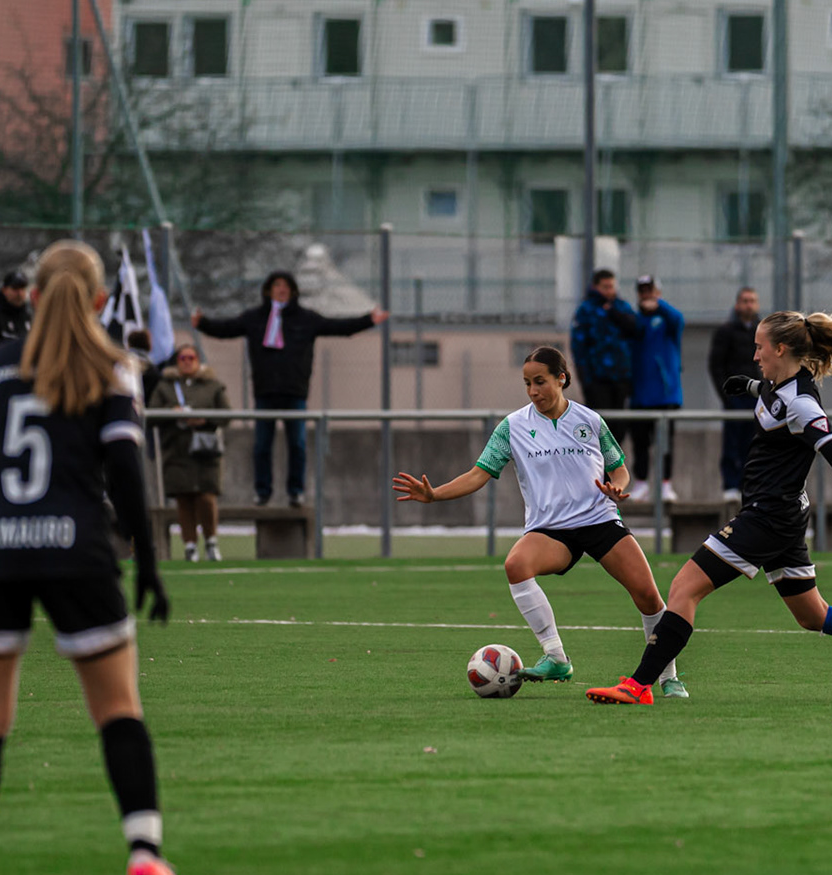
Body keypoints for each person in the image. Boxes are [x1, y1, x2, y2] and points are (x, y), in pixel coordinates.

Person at [0, 240, 185, 875]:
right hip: (77, 551)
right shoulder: (114, 366)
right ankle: (144, 855)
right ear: (99, 299)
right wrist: (147, 561)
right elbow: (125, 470)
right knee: (118, 711)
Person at [586, 311, 832, 707]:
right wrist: (752, 387)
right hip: (783, 517)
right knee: (813, 614)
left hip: (767, 517)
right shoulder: (781, 385)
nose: (755, 355)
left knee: (684, 588)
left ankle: (639, 684)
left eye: (759, 347)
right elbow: (774, 399)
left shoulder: (802, 402)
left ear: (781, 349)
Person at [394, 347, 685, 695]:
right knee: (516, 564)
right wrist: (435, 494)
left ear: (561, 378)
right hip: (551, 529)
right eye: (527, 384)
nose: (533, 391)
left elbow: (619, 468)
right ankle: (556, 657)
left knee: (649, 597)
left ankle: (669, 677)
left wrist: (617, 488)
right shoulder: (512, 427)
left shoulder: (589, 421)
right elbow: (478, 474)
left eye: (540, 382)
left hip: (599, 519)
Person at [193, 271, 387, 508]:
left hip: (295, 392)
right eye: (277, 285)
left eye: (286, 286)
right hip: (265, 392)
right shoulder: (255, 318)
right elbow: (226, 329)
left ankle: (296, 492)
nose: (281, 290)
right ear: (268, 290)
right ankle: (262, 492)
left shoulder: (306, 319)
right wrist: (202, 323)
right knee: (262, 445)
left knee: (297, 444)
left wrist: (368, 320)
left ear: (293, 291)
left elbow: (339, 327)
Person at [149, 342, 231, 563]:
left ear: (198, 361)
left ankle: (211, 542)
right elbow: (151, 414)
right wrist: (172, 413)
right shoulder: (165, 386)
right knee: (184, 498)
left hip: (205, 450)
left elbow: (226, 415)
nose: (186, 362)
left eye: (191, 358)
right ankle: (190, 546)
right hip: (176, 450)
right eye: (182, 358)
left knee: (206, 496)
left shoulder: (213, 385)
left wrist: (204, 419)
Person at [628, 273, 684, 503]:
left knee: (665, 444)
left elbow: (679, 320)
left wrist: (658, 304)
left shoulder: (667, 320)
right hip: (640, 394)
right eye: (643, 291)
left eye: (650, 291)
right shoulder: (635, 320)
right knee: (640, 443)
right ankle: (641, 483)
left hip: (665, 394)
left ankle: (665, 485)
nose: (646, 296)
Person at [568, 267, 639, 439]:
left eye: (612, 286)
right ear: (596, 287)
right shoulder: (586, 310)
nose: (609, 291)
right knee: (599, 428)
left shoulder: (621, 307)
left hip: (620, 377)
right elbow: (579, 347)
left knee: (619, 428)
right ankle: (598, 466)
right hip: (597, 379)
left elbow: (635, 330)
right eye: (605, 287)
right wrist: (586, 380)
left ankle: (614, 466)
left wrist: (614, 313)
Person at [708, 287, 762, 503]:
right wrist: (726, 395)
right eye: (745, 300)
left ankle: (748, 485)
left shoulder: (761, 331)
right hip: (735, 397)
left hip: (757, 395)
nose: (749, 305)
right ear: (737, 304)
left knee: (753, 443)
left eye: (752, 301)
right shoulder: (726, 332)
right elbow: (715, 365)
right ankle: (730, 485)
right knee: (732, 442)